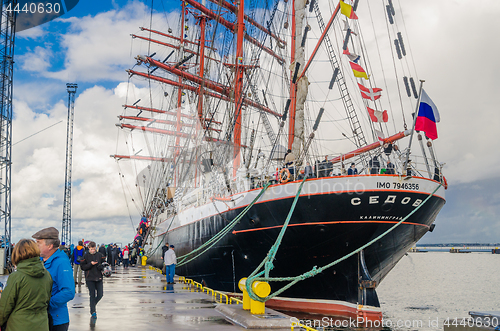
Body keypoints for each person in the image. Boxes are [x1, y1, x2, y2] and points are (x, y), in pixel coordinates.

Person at [0, 239, 53, 331]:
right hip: (41, 325)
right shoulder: (47, 275)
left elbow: (5, 307)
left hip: (18, 325)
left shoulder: (16, 277)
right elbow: (47, 300)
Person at [33, 227, 75, 331]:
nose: (35, 246)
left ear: (50, 246)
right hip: (42, 318)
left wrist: (45, 304)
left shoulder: (61, 263)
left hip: (56, 320)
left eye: (38, 243)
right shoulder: (40, 261)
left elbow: (68, 291)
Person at [80, 241, 104, 319]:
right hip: (89, 278)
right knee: (92, 294)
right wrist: (91, 264)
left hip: (99, 277)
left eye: (93, 249)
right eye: (91, 249)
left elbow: (104, 264)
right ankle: (93, 311)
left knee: (100, 294)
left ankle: (92, 305)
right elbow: (83, 267)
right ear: (88, 248)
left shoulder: (99, 255)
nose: (92, 251)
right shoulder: (86, 256)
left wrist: (100, 266)